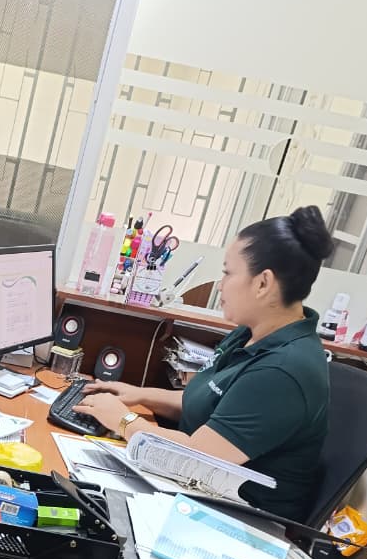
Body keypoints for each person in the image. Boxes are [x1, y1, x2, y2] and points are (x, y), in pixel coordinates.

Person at [77, 205, 334, 522]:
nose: (220, 285)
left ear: (263, 283)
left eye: (228, 273)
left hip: (238, 521)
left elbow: (196, 458)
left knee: (85, 505)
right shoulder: (250, 334)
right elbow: (205, 399)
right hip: (200, 491)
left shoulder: (284, 371)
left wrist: (124, 420)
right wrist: (138, 394)